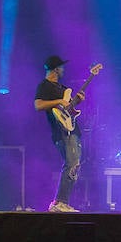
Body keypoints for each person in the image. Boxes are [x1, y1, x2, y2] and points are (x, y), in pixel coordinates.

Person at [34, 55, 84, 213]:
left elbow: (68, 110)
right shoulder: (45, 85)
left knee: (74, 164)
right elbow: (38, 105)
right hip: (61, 132)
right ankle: (59, 202)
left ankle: (62, 202)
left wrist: (77, 101)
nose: (63, 70)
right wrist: (58, 102)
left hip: (72, 129)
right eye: (61, 67)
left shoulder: (63, 89)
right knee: (71, 164)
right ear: (56, 69)